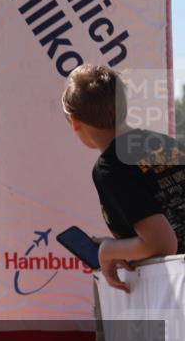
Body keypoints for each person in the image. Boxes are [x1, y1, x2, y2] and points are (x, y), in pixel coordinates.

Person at [61, 64, 184, 292]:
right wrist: (123, 247)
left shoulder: (110, 169)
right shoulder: (164, 143)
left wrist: (108, 250)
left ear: (75, 121)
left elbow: (163, 243)